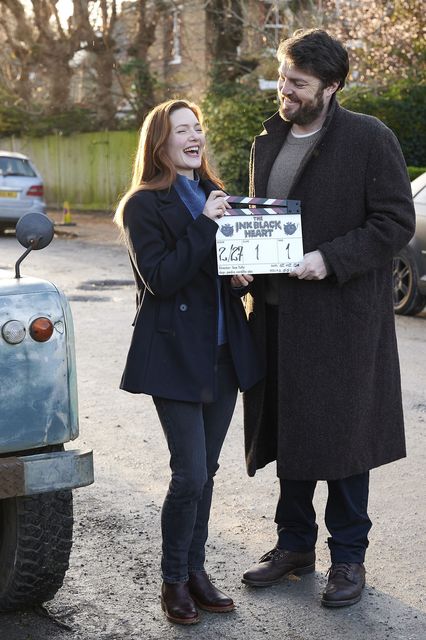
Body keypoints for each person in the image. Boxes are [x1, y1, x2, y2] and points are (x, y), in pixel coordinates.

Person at [237, 29, 415, 608]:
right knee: (288, 434)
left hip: (340, 323)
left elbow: (394, 223)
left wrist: (328, 259)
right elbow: (261, 220)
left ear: (331, 88)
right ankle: (293, 545)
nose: (284, 91)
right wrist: (238, 260)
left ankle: (348, 559)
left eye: (298, 84)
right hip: (275, 319)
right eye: (283, 77)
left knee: (342, 442)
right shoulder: (268, 139)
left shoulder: (369, 138)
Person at [114, 99, 262, 625]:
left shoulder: (212, 195)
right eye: (182, 129)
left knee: (210, 471)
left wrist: (237, 273)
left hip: (222, 353)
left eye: (197, 126)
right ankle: (174, 578)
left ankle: (196, 570)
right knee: (190, 473)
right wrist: (203, 223)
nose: (194, 135)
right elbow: (161, 278)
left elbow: (211, 268)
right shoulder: (142, 206)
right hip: (175, 356)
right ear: (161, 143)